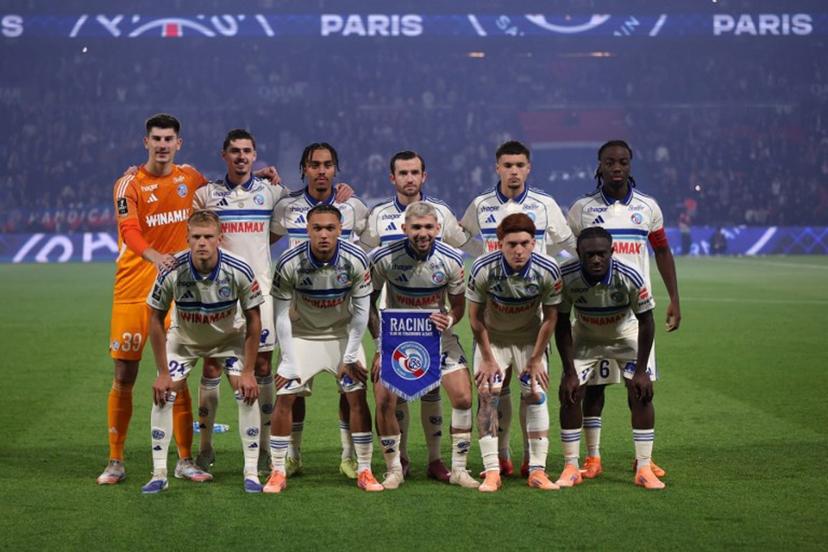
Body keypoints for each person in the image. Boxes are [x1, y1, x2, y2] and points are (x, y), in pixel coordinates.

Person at [97, 113, 211, 485]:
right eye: (156, 139)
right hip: (133, 288)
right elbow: (129, 230)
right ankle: (115, 460)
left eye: (168, 139)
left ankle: (185, 460)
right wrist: (155, 257)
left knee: (177, 373)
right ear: (146, 142)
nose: (162, 145)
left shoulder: (190, 178)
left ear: (179, 143)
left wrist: (262, 176)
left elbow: (219, 196)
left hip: (177, 291)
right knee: (124, 374)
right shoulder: (128, 183)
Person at [360, 150, 481, 481]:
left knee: (462, 396)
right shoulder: (383, 257)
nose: (423, 233)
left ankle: (453, 467)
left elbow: (458, 304)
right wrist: (380, 345)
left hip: (437, 335)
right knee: (386, 397)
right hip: (397, 335)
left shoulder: (452, 260)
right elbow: (368, 301)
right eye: (416, 227)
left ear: (438, 228)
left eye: (428, 227)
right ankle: (395, 467)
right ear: (404, 228)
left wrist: (450, 320)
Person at [460, 140, 575, 477]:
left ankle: (531, 459)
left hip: (530, 311)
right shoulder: (481, 204)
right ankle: (501, 455)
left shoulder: (545, 204)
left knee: (532, 390)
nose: (513, 171)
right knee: (496, 389)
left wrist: (542, 262)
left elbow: (567, 241)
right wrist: (485, 253)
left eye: (519, 165)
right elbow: (462, 236)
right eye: (507, 165)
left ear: (528, 168)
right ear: (497, 168)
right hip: (494, 305)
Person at [566, 140, 679, 479]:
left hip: (634, 314)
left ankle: (643, 460)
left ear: (630, 165)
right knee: (593, 388)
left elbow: (662, 251)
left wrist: (674, 298)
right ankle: (593, 458)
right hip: (592, 312)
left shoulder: (648, 207)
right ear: (599, 166)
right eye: (610, 162)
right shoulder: (582, 209)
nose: (617, 167)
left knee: (639, 387)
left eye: (623, 161)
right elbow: (573, 253)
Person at [142, 210, 264, 494]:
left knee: (246, 393)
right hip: (184, 340)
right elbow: (155, 318)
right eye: (196, 237)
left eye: (208, 237)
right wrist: (162, 372)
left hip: (228, 339)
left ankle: (251, 471)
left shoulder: (239, 268)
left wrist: (248, 371)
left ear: (219, 238)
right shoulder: (172, 269)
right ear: (187, 238)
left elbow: (254, 319)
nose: (202, 243)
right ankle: (159, 473)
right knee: (164, 393)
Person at [264, 204, 382, 493]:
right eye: (317, 228)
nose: (324, 234)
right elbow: (281, 315)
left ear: (340, 230)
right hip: (301, 336)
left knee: (356, 395)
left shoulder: (356, 259)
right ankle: (278, 470)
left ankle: (364, 469)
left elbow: (361, 313)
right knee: (285, 396)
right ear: (308, 230)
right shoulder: (289, 262)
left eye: (330, 228)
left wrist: (350, 356)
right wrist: (288, 360)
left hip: (342, 335)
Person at [192, 129, 289, 474]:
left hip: (259, 294)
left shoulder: (272, 192)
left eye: (247, 151)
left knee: (262, 368)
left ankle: (264, 448)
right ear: (224, 155)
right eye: (234, 151)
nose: (241, 156)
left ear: (255, 155)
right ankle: (205, 448)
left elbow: (289, 219)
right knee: (211, 367)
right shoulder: (206, 195)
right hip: (217, 295)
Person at [269, 143, 368, 479]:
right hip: (300, 315)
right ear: (304, 169)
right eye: (314, 164)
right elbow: (263, 239)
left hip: (341, 312)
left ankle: (349, 457)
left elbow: (368, 245)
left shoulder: (352, 207)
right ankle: (292, 457)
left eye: (327, 164)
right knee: (293, 391)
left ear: (335, 169)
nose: (321, 170)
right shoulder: (287, 206)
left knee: (351, 390)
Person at [553, 226, 664, 490]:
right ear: (578, 252)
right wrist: (569, 371)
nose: (596, 259)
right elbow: (561, 323)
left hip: (625, 335)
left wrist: (641, 371)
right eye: (589, 254)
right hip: (586, 336)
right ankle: (571, 467)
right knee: (570, 392)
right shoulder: (566, 275)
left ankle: (644, 468)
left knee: (641, 392)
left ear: (612, 252)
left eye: (602, 254)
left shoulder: (630, 275)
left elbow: (647, 321)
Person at [467, 213, 563, 492]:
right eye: (511, 244)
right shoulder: (483, 268)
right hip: (493, 340)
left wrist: (536, 358)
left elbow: (551, 318)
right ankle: (492, 471)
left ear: (533, 243)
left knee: (536, 394)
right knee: (488, 397)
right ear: (500, 244)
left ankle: (537, 470)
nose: (518, 250)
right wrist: (487, 357)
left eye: (524, 243)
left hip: (530, 340)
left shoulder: (548, 269)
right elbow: (474, 318)